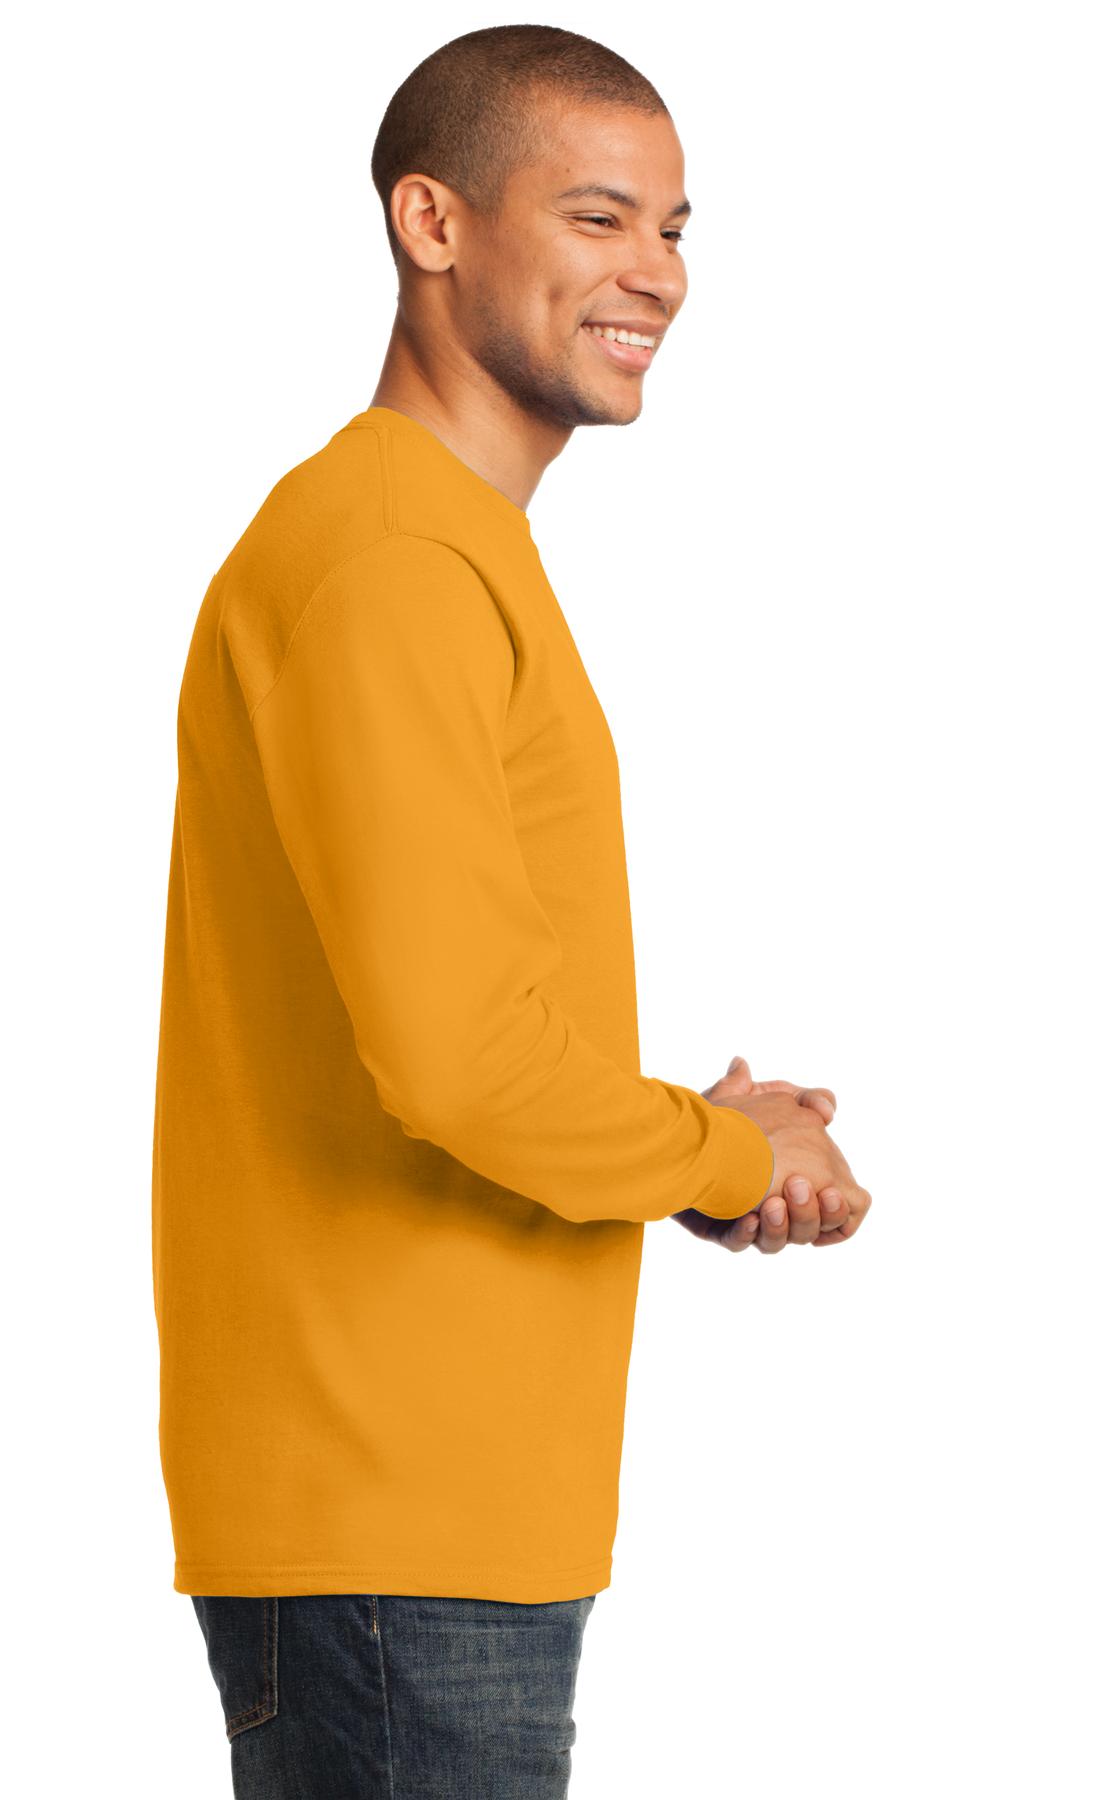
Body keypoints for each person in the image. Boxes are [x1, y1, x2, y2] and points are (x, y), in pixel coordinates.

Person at [152, 23, 872, 1798]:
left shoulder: (437, 545)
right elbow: (463, 1062)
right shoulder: (394, 560)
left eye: (676, 228)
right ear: (433, 223)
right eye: (600, 216)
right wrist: (723, 1153)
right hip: (400, 1518)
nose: (659, 274)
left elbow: (457, 1025)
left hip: (431, 1510)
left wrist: (686, 1147)